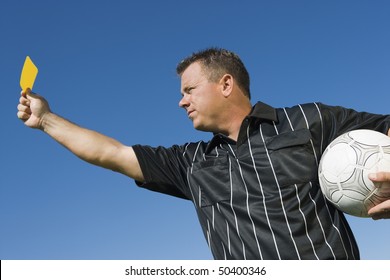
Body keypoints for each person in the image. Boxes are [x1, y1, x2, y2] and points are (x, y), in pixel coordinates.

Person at [17, 48, 390, 260]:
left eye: (189, 90)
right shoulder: (190, 163)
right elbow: (111, 152)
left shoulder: (309, 120)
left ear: (226, 84)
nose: (181, 102)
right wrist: (47, 120)